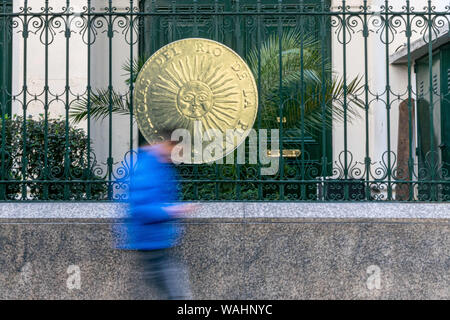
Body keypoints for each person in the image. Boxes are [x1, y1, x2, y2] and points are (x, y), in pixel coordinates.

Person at [117, 128, 194, 300]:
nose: (177, 155)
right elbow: (140, 208)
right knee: (177, 296)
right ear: (168, 144)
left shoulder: (159, 165)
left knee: (172, 293)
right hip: (151, 242)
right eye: (176, 149)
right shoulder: (146, 167)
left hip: (160, 241)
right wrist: (173, 210)